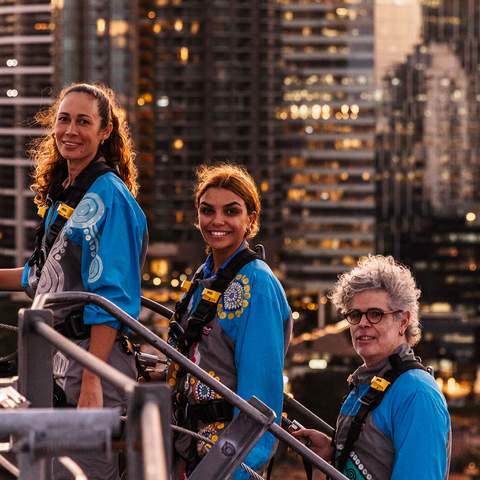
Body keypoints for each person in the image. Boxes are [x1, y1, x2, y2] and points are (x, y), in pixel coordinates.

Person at [0, 83, 148, 480]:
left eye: (84, 121)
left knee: (87, 474)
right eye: (64, 119)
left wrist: (91, 381)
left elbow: (110, 298)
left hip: (92, 361)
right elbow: (40, 277)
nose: (71, 130)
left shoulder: (109, 197)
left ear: (105, 131)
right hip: (62, 361)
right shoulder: (69, 195)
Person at [167, 163, 292, 479]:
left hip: (226, 463)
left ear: (251, 219)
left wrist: (238, 472)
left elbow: (260, 401)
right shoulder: (205, 277)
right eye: (207, 211)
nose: (217, 221)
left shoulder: (258, 286)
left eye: (231, 211)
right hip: (188, 449)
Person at [293, 255, 451, 480]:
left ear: (403, 321)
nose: (363, 323)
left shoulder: (416, 393)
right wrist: (334, 451)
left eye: (375, 314)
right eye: (355, 315)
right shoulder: (370, 382)